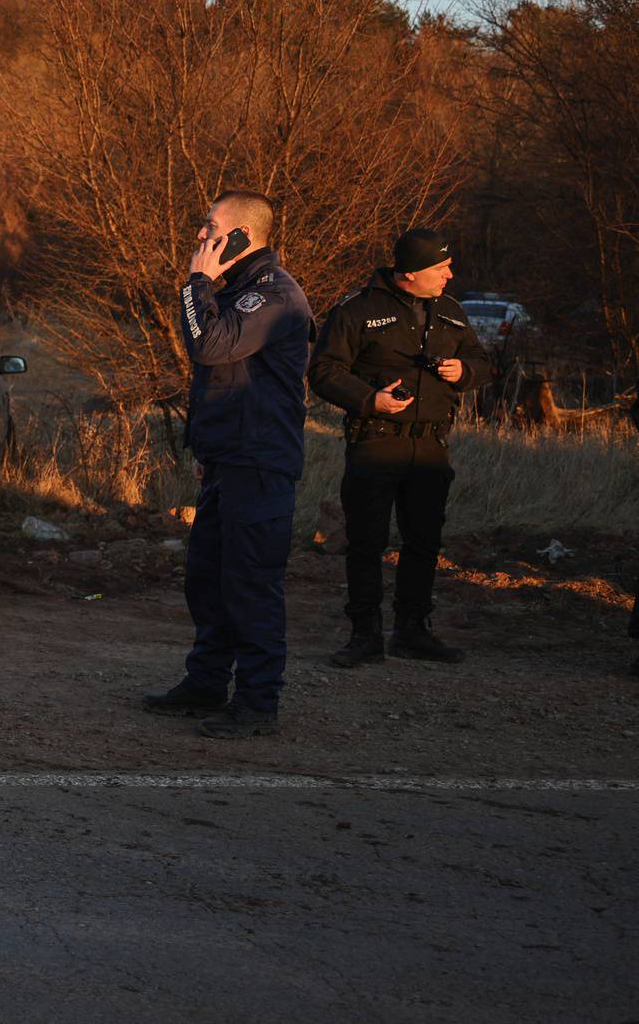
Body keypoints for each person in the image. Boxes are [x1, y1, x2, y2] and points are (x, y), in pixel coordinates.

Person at [144, 190, 314, 738]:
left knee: (249, 583)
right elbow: (223, 379)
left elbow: (211, 349)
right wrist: (205, 452)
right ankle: (206, 683)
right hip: (228, 461)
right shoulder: (240, 291)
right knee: (209, 580)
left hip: (259, 463)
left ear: (242, 234)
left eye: (210, 226)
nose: (201, 236)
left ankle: (258, 704)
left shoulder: (272, 295)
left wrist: (195, 284)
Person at [309, 227, 493, 668]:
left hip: (431, 446)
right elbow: (324, 371)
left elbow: (484, 363)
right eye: (441, 267)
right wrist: (369, 399)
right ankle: (364, 636)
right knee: (367, 543)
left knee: (424, 543)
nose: (451, 274)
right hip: (376, 443)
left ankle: (412, 632)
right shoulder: (357, 310)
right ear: (409, 274)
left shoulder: (450, 311)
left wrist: (462, 371)